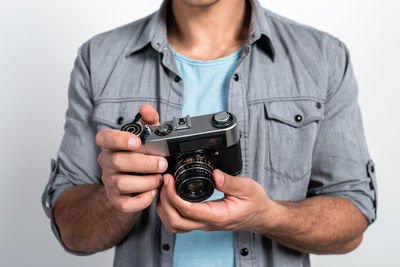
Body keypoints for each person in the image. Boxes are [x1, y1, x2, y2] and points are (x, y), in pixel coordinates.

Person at [41, 0, 377, 266]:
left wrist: (267, 216)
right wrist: (115, 197)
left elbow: (352, 223)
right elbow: (72, 234)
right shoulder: (99, 59)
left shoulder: (322, 57)